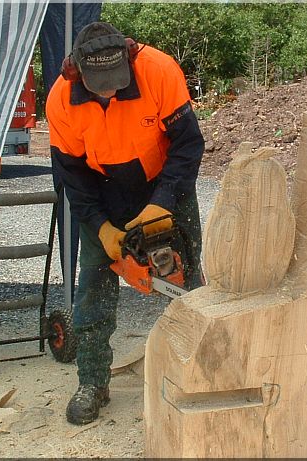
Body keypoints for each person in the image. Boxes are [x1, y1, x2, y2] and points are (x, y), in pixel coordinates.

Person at [46, 21, 204, 426]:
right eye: (100, 83)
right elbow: (72, 174)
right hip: (102, 190)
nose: (111, 90)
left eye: (116, 80)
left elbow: (188, 146)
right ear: (78, 71)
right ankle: (93, 381)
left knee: (185, 283)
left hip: (163, 181)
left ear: (129, 58)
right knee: (93, 290)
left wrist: (164, 203)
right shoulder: (61, 99)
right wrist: (102, 228)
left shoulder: (159, 70)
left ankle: (200, 375)